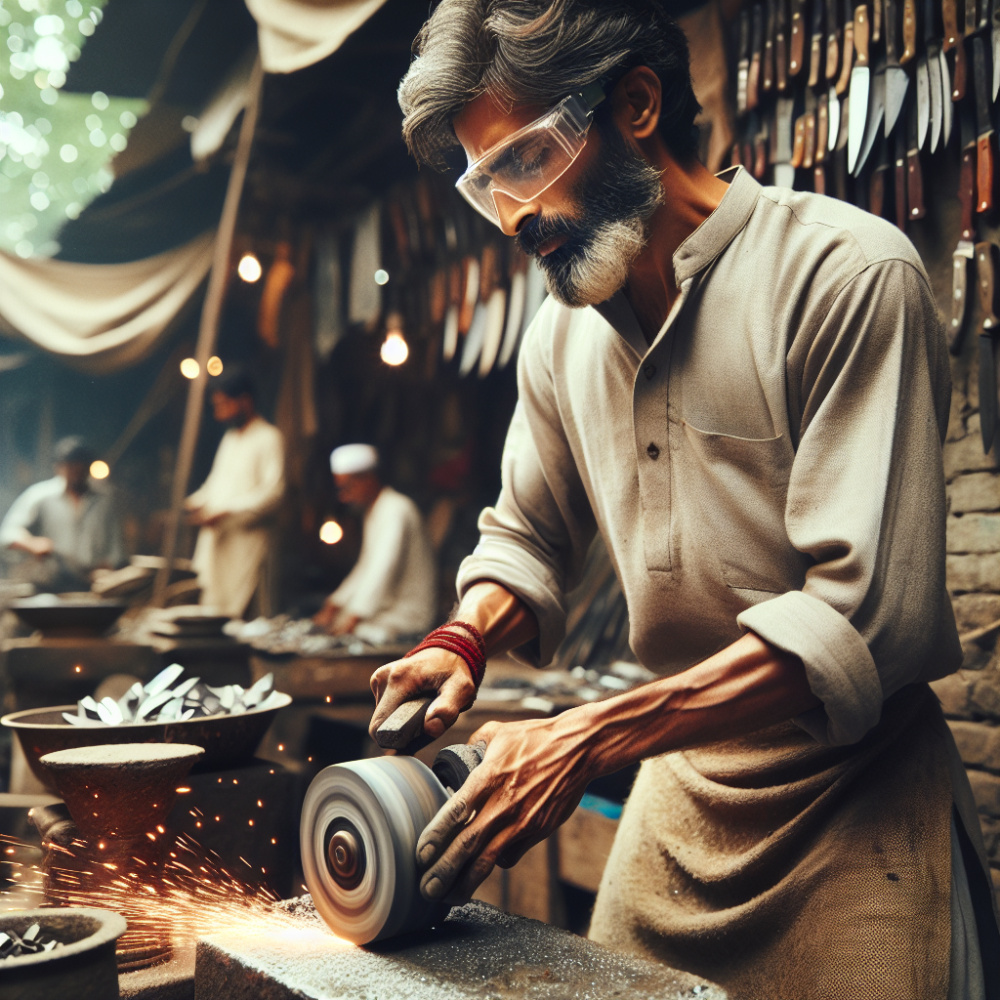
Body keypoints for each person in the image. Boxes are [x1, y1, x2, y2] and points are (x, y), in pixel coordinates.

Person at [368, 2, 1000, 998]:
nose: (514, 214)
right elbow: (527, 535)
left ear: (636, 105)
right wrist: (463, 638)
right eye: (487, 184)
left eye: (526, 160)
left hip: (858, 803)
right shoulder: (559, 338)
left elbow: (856, 621)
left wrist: (588, 735)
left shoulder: (845, 275)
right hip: (681, 785)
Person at [313, 444, 437, 645]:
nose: (344, 497)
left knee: (347, 633)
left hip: (407, 615)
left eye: (348, 488)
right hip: (385, 608)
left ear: (368, 479)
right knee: (333, 625)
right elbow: (365, 568)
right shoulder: (375, 511)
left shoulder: (396, 509)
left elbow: (383, 568)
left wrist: (354, 616)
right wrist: (334, 603)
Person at [185, 368, 284, 618]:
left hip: (246, 542)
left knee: (239, 610)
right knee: (210, 607)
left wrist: (226, 512)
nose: (218, 413)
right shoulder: (230, 439)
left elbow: (274, 492)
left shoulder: (269, 437)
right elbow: (215, 485)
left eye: (223, 404)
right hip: (218, 541)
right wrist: (192, 503)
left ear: (244, 400)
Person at [0, 436, 127, 592]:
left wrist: (109, 569)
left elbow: (116, 551)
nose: (76, 471)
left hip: (93, 585)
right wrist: (31, 543)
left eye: (81, 466)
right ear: (59, 467)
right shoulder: (40, 495)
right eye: (71, 466)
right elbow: (7, 533)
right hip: (49, 584)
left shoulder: (103, 501)